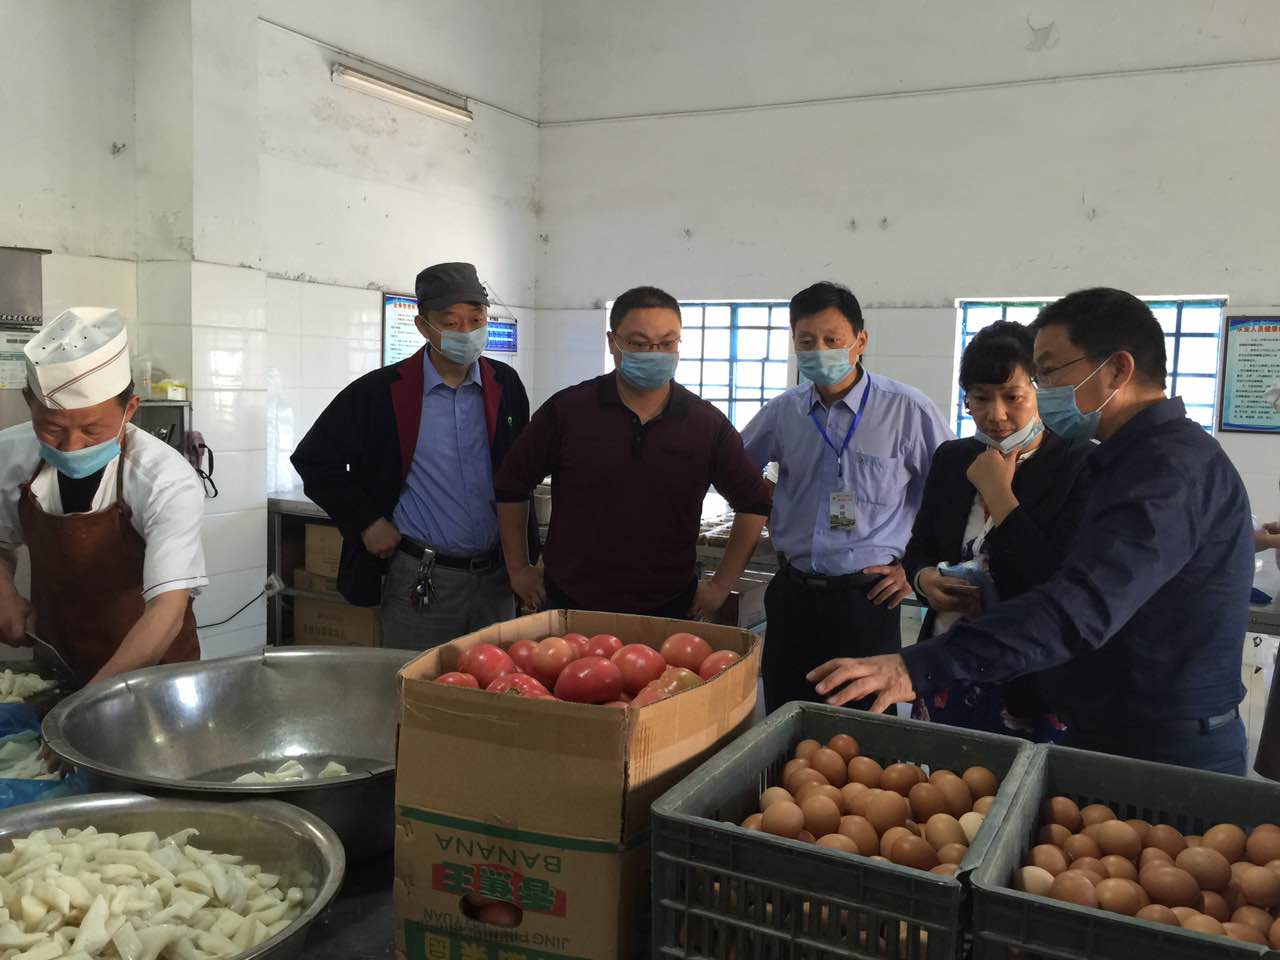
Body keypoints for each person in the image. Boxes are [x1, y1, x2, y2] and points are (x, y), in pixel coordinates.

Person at [810, 287, 1255, 774]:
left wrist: (916, 665)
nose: (1044, 388)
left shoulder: (1165, 471)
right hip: (1105, 718)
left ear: (1117, 369)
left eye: (1050, 371)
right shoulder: (1127, 463)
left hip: (1159, 743)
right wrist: (923, 581)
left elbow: (1076, 607)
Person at [292, 262, 537, 650]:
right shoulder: (380, 393)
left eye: (476, 320)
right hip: (421, 578)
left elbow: (518, 476)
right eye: (451, 322)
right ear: (424, 326)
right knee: (418, 681)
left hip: (496, 579)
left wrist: (521, 564)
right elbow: (314, 459)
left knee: (497, 681)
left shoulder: (504, 384)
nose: (467, 331)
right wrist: (366, 521)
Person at [494, 286, 771, 619]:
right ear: (613, 342)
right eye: (640, 344)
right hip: (571, 602)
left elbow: (754, 502)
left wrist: (721, 584)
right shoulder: (569, 411)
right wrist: (518, 568)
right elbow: (511, 485)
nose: (655, 353)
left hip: (668, 607)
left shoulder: (704, 423)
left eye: (667, 343)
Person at [740, 281, 952, 711]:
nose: (819, 351)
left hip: (867, 599)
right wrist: (772, 499)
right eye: (806, 341)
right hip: (793, 593)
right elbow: (736, 470)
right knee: (783, 715)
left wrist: (913, 568)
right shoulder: (783, 412)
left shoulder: (907, 411)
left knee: (861, 725)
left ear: (860, 341)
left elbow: (951, 497)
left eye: (832, 339)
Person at [901, 321, 1092, 739]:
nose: (996, 414)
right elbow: (919, 548)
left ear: (1040, 391)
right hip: (948, 665)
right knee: (939, 776)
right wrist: (924, 579)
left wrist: (998, 493)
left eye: (1012, 397)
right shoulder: (953, 459)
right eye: (980, 398)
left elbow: (1056, 581)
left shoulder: (1078, 465)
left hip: (1031, 677)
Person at [0, 308, 205, 682]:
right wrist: (4, 594)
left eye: (92, 430)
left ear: (130, 409)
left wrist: (92, 702)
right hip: (58, 665)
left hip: (155, 677)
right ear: (29, 402)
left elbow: (167, 608)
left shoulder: (165, 480)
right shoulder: (9, 456)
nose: (71, 446)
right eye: (52, 429)